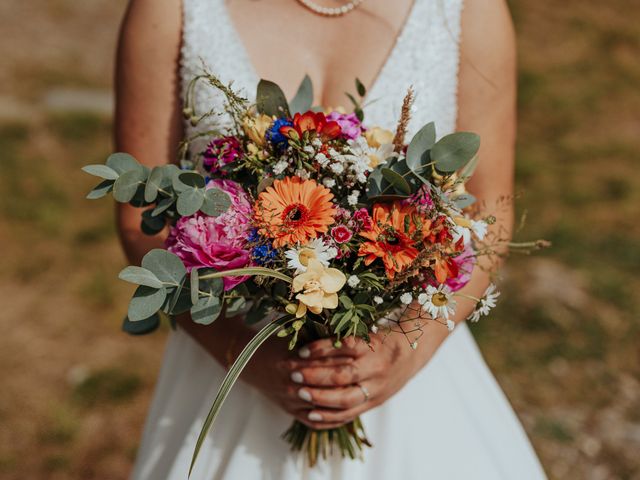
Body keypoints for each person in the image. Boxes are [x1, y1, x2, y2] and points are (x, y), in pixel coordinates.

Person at [116, 0, 547, 478]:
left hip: (404, 366)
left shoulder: (467, 9)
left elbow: (490, 213)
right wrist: (243, 354)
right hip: (229, 358)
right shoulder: (169, 8)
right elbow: (139, 220)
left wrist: (406, 353)